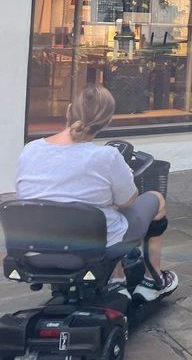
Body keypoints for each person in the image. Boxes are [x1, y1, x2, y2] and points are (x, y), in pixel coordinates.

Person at [15, 84, 178, 302]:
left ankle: (117, 279)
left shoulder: (30, 149)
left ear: (69, 110)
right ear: (107, 121)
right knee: (154, 200)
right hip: (94, 243)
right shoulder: (107, 157)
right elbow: (128, 201)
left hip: (37, 247)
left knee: (103, 212)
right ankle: (152, 282)